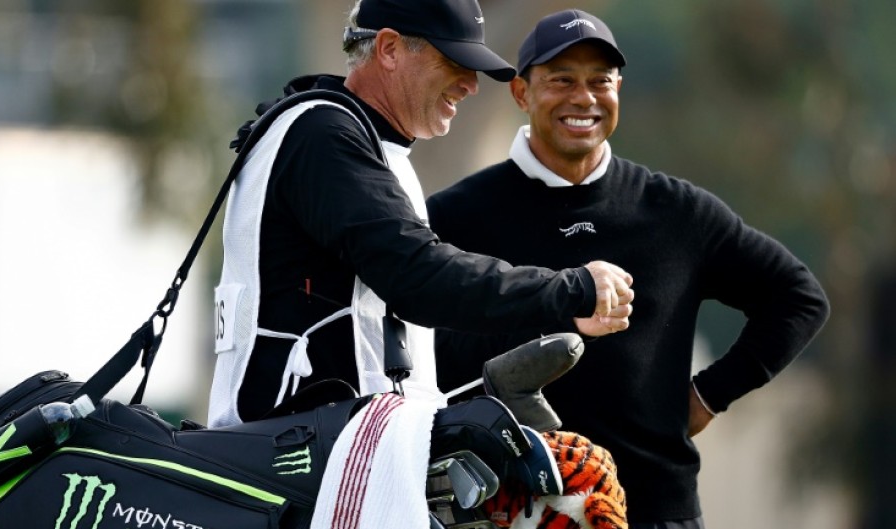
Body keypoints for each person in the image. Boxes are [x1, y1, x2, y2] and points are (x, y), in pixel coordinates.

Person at [426, 8, 831, 529]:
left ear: (618, 89)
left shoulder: (676, 211)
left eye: (600, 81)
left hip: (656, 510)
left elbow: (798, 298)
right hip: (506, 510)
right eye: (561, 80)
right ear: (522, 93)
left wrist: (709, 395)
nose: (583, 98)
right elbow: (418, 349)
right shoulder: (455, 215)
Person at [206, 0, 635, 429]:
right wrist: (569, 290)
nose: (471, 85)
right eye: (455, 62)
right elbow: (419, 278)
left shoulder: (357, 139)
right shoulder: (323, 137)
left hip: (316, 441)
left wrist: (551, 317)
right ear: (390, 49)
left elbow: (415, 315)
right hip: (292, 450)